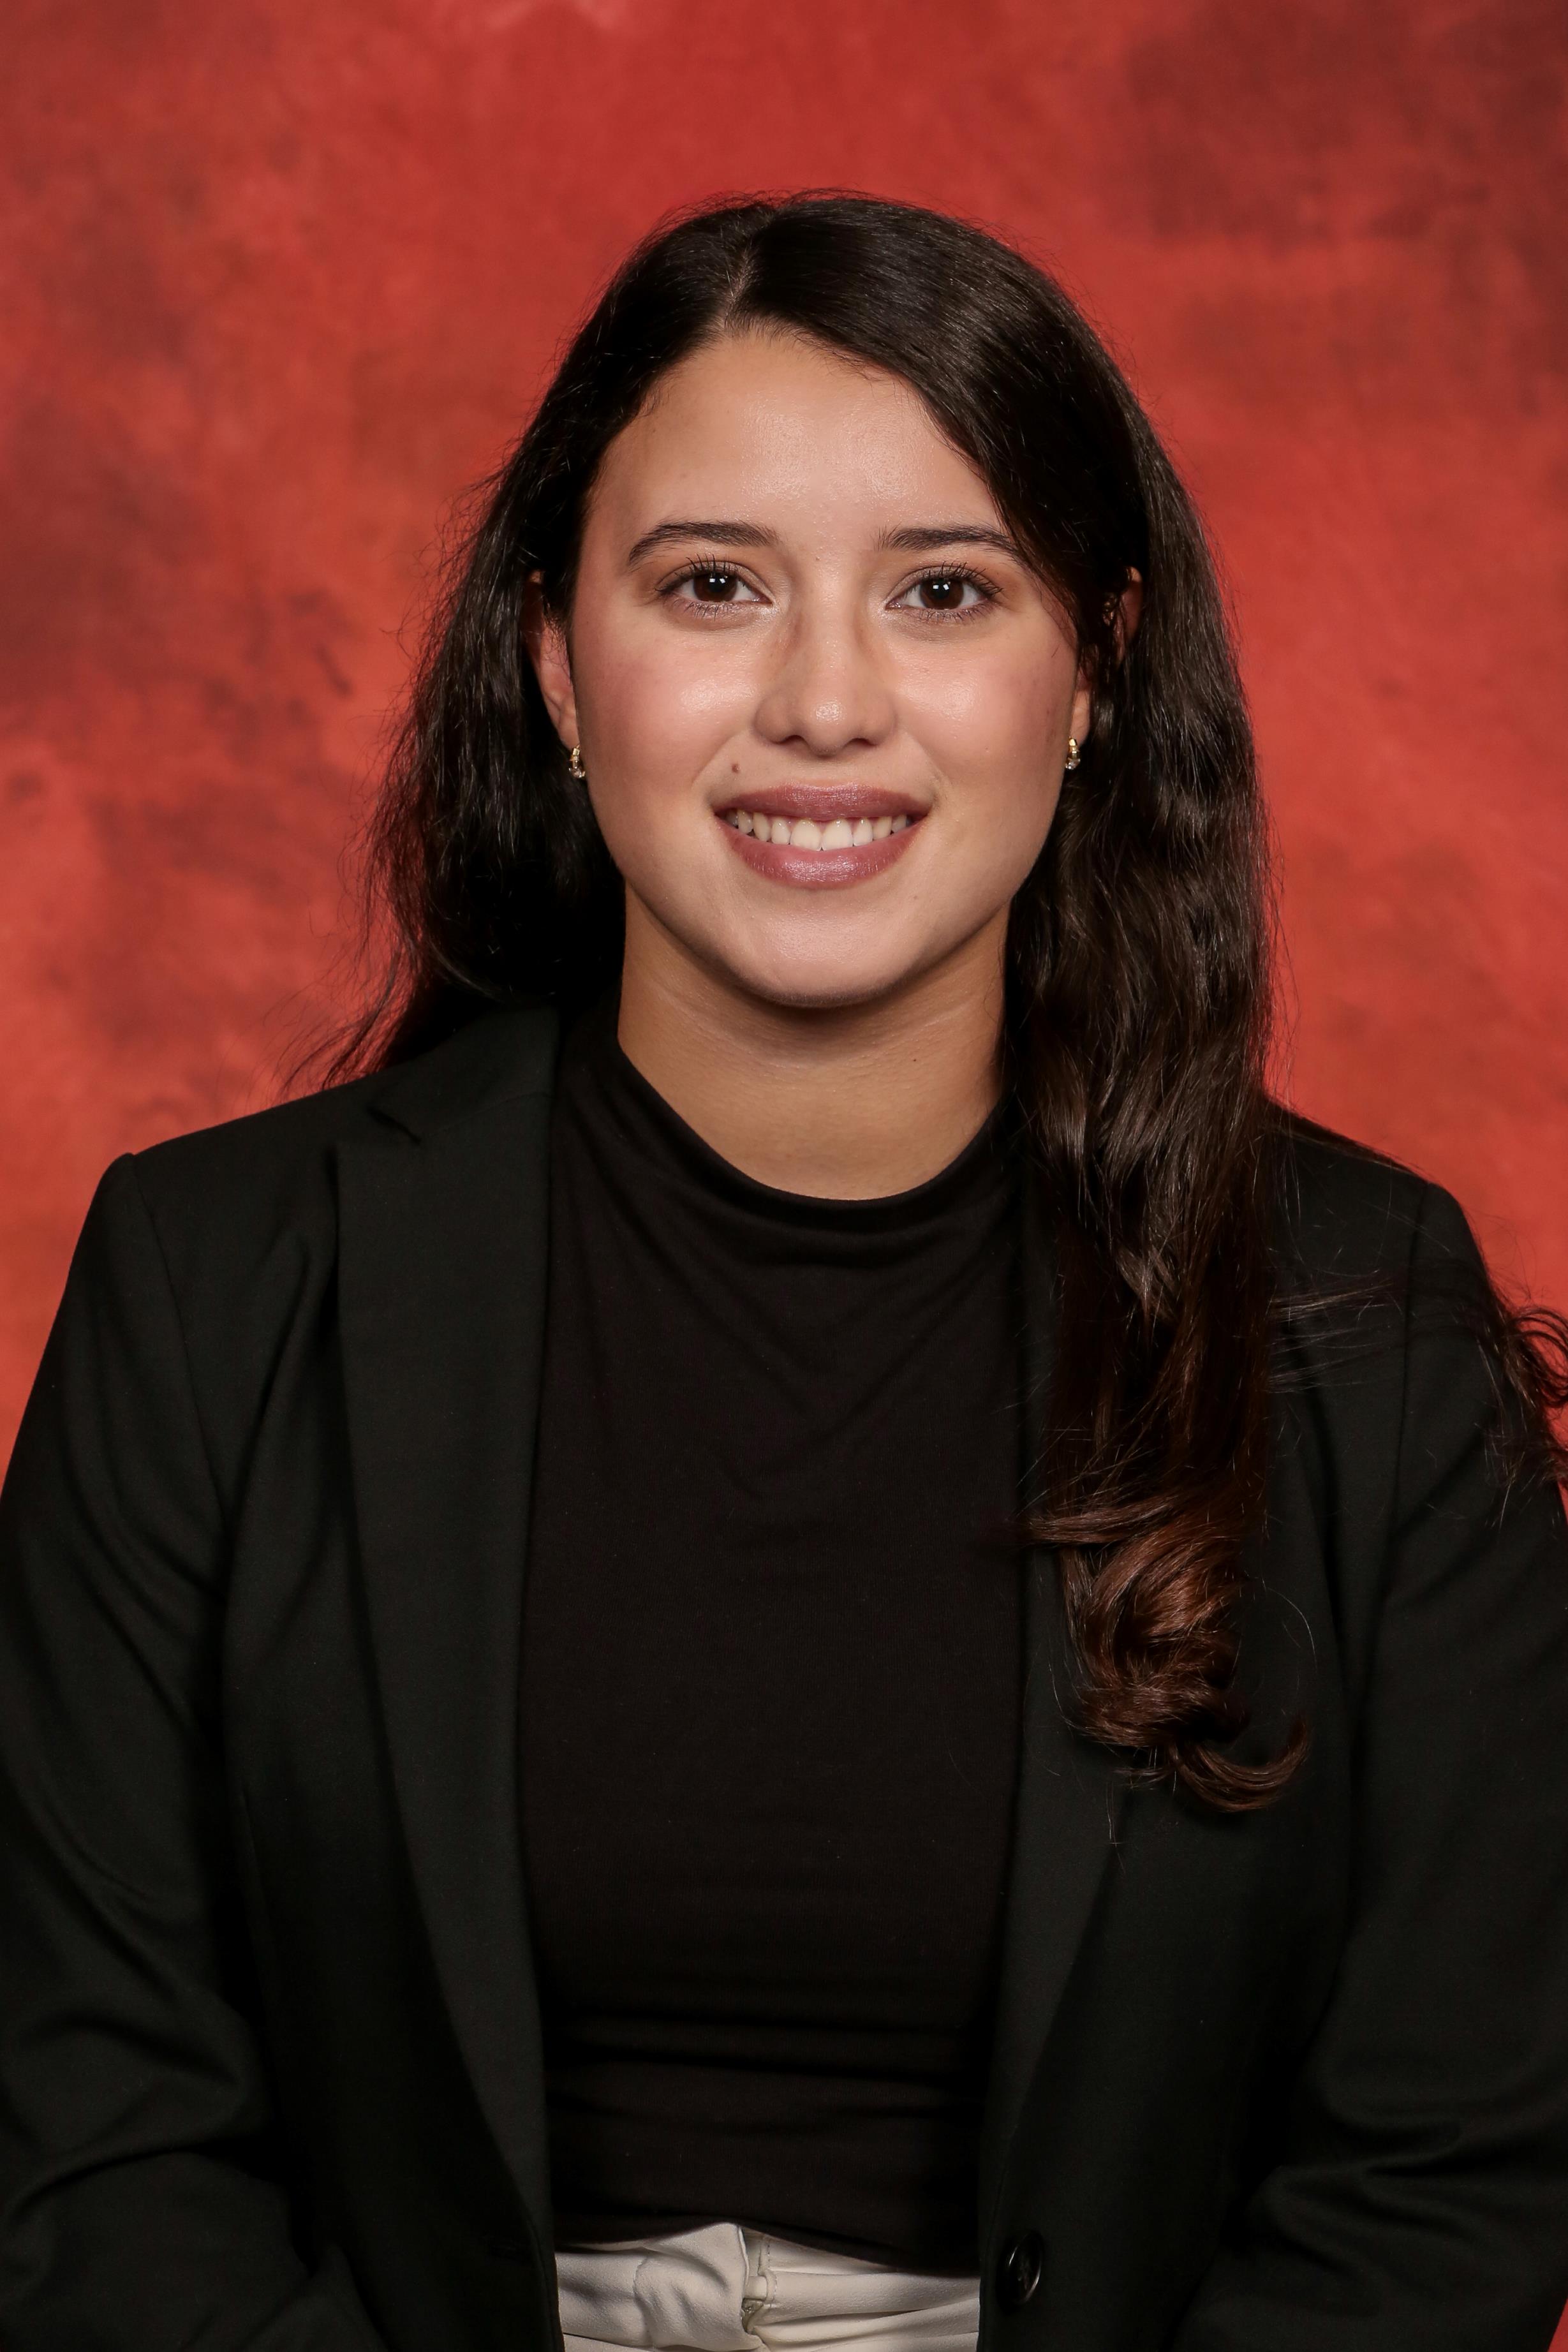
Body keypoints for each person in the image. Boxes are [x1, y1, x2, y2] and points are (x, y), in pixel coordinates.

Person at [2, 192, 1567, 2352]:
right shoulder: (211, 1282)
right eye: (712, 587)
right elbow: (84, 2123)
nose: (824, 703)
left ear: (1093, 668)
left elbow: (1446, 2176)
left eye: (943, 592)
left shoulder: (1373, 1327)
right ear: (557, 659)